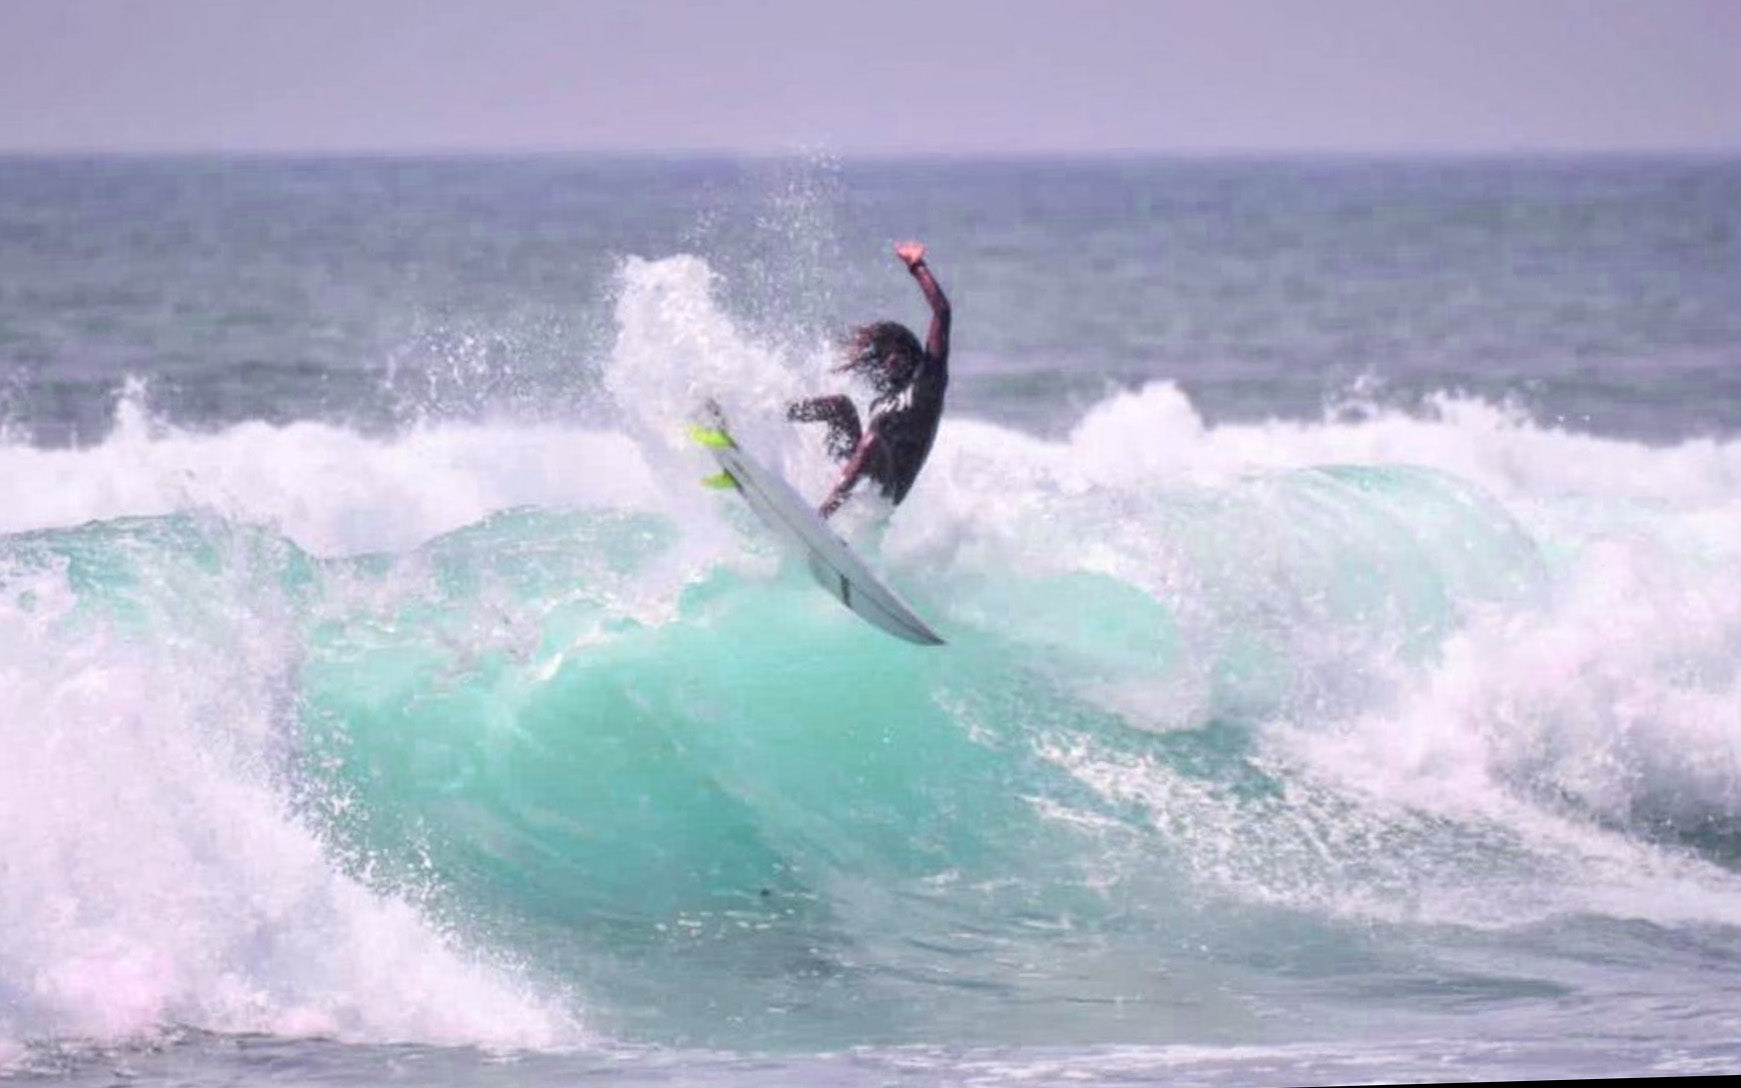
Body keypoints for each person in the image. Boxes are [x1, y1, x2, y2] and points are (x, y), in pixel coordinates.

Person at [787, 241, 951, 519]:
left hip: (886, 493)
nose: (891, 359)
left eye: (898, 351)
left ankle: (822, 515)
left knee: (873, 441)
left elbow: (942, 313)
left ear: (912, 354)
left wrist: (916, 265)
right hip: (860, 481)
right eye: (885, 355)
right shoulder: (881, 401)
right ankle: (764, 415)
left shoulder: (927, 385)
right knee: (840, 406)